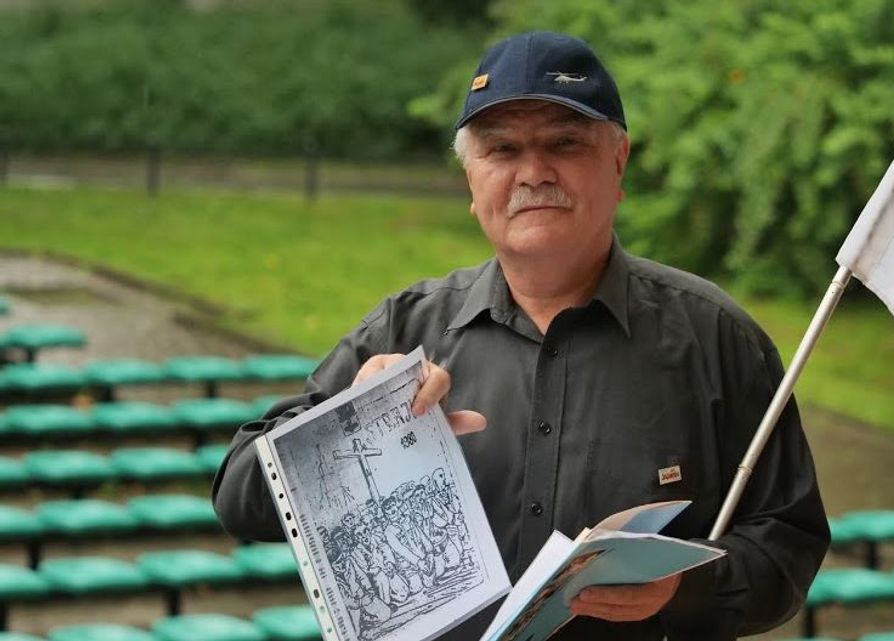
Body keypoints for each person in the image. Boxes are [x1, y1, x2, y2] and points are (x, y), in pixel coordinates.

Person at [212, 30, 829, 640]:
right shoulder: (404, 330)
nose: (534, 172)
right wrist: (350, 429)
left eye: (565, 143)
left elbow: (789, 540)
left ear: (619, 162)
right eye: (502, 150)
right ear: (471, 182)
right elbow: (238, 497)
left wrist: (684, 589)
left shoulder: (716, 338)